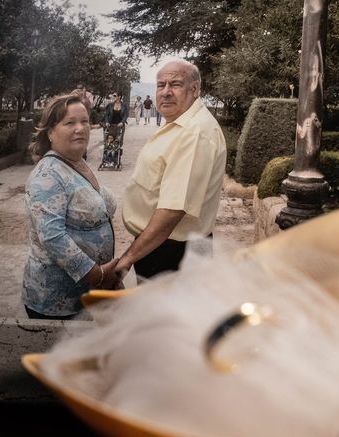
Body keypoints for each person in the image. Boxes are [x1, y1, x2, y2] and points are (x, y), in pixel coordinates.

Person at [114, 59, 227, 281]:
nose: (165, 92)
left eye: (175, 84)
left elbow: (172, 211)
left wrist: (128, 258)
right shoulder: (182, 122)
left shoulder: (194, 133)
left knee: (165, 315)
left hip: (172, 253)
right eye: (160, 85)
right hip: (163, 246)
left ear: (194, 89)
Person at [22, 94, 121, 319]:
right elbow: (52, 236)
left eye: (85, 121)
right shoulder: (47, 175)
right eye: (69, 123)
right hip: (55, 302)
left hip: (84, 297)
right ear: (50, 132)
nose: (80, 128)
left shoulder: (78, 163)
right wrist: (98, 275)